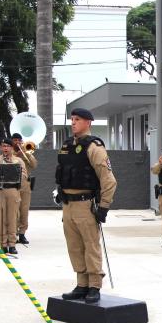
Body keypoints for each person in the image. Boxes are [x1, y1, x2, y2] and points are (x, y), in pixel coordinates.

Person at [57, 108, 117, 303]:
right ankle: (81, 284)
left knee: (91, 246)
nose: (73, 122)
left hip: (86, 204)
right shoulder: (67, 145)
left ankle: (94, 285)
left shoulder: (94, 147)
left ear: (88, 123)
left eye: (78, 119)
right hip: (68, 205)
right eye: (72, 119)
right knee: (74, 246)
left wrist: (104, 207)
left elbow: (109, 180)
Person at [0, 139, 26, 255]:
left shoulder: (18, 161)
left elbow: (24, 175)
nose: (5, 148)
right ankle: (3, 244)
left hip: (12, 190)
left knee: (12, 218)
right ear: (0, 148)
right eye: (3, 146)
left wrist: (13, 172)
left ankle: (12, 244)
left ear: (11, 148)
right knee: (1, 218)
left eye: (8, 146)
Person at [11, 132, 38, 245]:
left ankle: (22, 234)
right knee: (14, 211)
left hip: (25, 185)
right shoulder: (10, 152)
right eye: (15, 140)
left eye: (19, 140)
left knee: (24, 210)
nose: (17, 142)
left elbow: (34, 165)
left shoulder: (26, 151)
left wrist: (27, 154)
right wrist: (17, 155)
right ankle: (14, 233)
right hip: (13, 184)